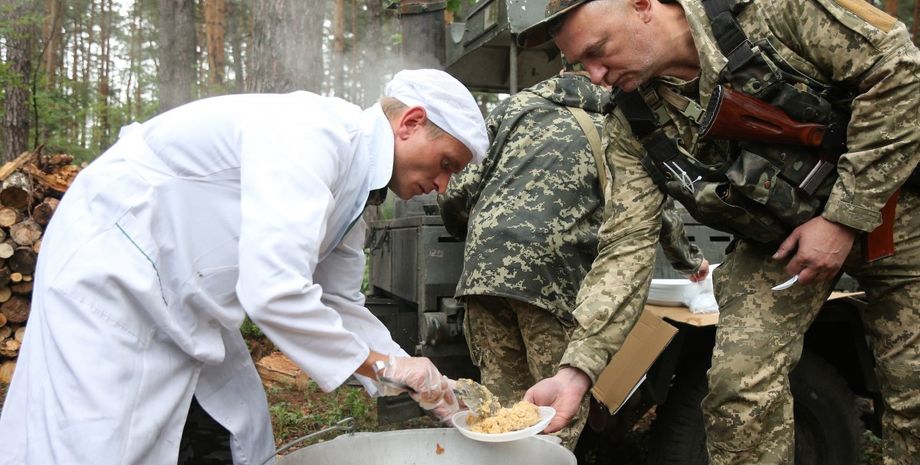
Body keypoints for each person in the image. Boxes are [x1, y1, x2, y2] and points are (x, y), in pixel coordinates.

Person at [0, 68, 488, 465]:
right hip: (114, 267)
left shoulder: (358, 189)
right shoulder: (314, 134)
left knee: (242, 428)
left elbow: (338, 302)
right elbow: (274, 290)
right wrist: (382, 365)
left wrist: (420, 377)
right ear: (411, 122)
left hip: (183, 294)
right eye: (446, 163)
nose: (444, 185)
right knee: (96, 438)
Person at [516, 1, 920, 464]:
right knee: (737, 385)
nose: (595, 75)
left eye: (598, 51)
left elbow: (899, 72)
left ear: (642, 5)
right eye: (580, 64)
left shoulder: (772, 12)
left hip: (896, 208)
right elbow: (625, 247)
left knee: (915, 391)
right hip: (781, 243)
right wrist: (576, 371)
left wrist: (843, 218)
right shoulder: (633, 120)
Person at [438, 69, 709, 450]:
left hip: (484, 274)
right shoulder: (617, 128)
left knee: (503, 412)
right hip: (554, 279)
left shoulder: (516, 108)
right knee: (554, 412)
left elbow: (458, 188)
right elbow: (654, 212)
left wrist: (478, 237)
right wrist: (691, 261)